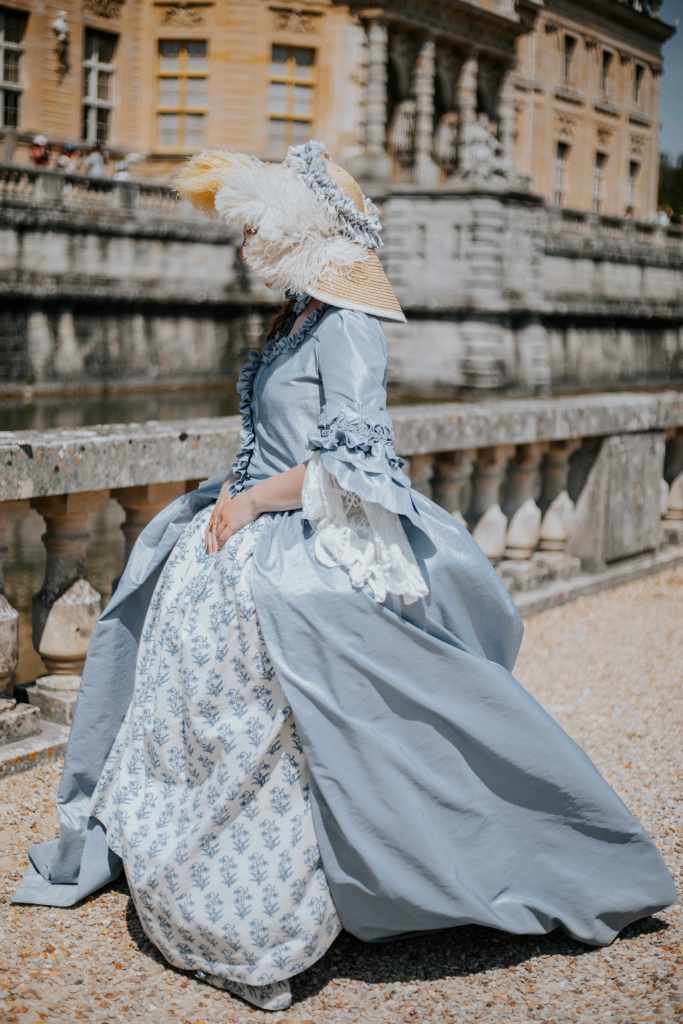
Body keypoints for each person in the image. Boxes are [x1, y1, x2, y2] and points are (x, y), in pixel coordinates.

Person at [13, 140, 676, 1012]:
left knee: (293, 728)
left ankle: (272, 906)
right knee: (207, 714)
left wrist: (251, 506)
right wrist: (231, 501)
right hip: (246, 534)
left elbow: (360, 462)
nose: (245, 241)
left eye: (260, 225)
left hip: (293, 541)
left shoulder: (348, 324)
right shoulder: (296, 317)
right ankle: (193, 863)